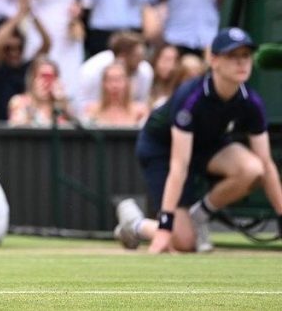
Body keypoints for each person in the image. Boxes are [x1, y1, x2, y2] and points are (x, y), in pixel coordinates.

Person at [116, 28, 282, 253]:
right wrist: (165, 229)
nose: (241, 63)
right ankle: (135, 225)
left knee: (253, 169)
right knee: (184, 243)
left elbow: (267, 164)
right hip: (161, 149)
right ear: (214, 61)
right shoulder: (191, 98)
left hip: (206, 145)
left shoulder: (251, 102)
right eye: (232, 56)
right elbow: (179, 165)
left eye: (245, 56)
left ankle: (198, 216)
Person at [73, 31, 154, 118]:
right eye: (136, 56)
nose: (140, 61)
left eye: (142, 56)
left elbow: (141, 104)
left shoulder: (145, 71)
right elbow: (82, 106)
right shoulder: (91, 71)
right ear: (122, 57)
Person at [82, 60, 149, 127]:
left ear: (127, 83)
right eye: (110, 80)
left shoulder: (139, 112)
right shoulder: (92, 111)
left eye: (118, 80)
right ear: (103, 84)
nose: (114, 85)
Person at [7, 57, 68, 128]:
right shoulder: (19, 102)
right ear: (33, 79)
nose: (46, 83)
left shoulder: (60, 105)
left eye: (50, 77)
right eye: (43, 76)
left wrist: (61, 101)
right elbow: (18, 127)